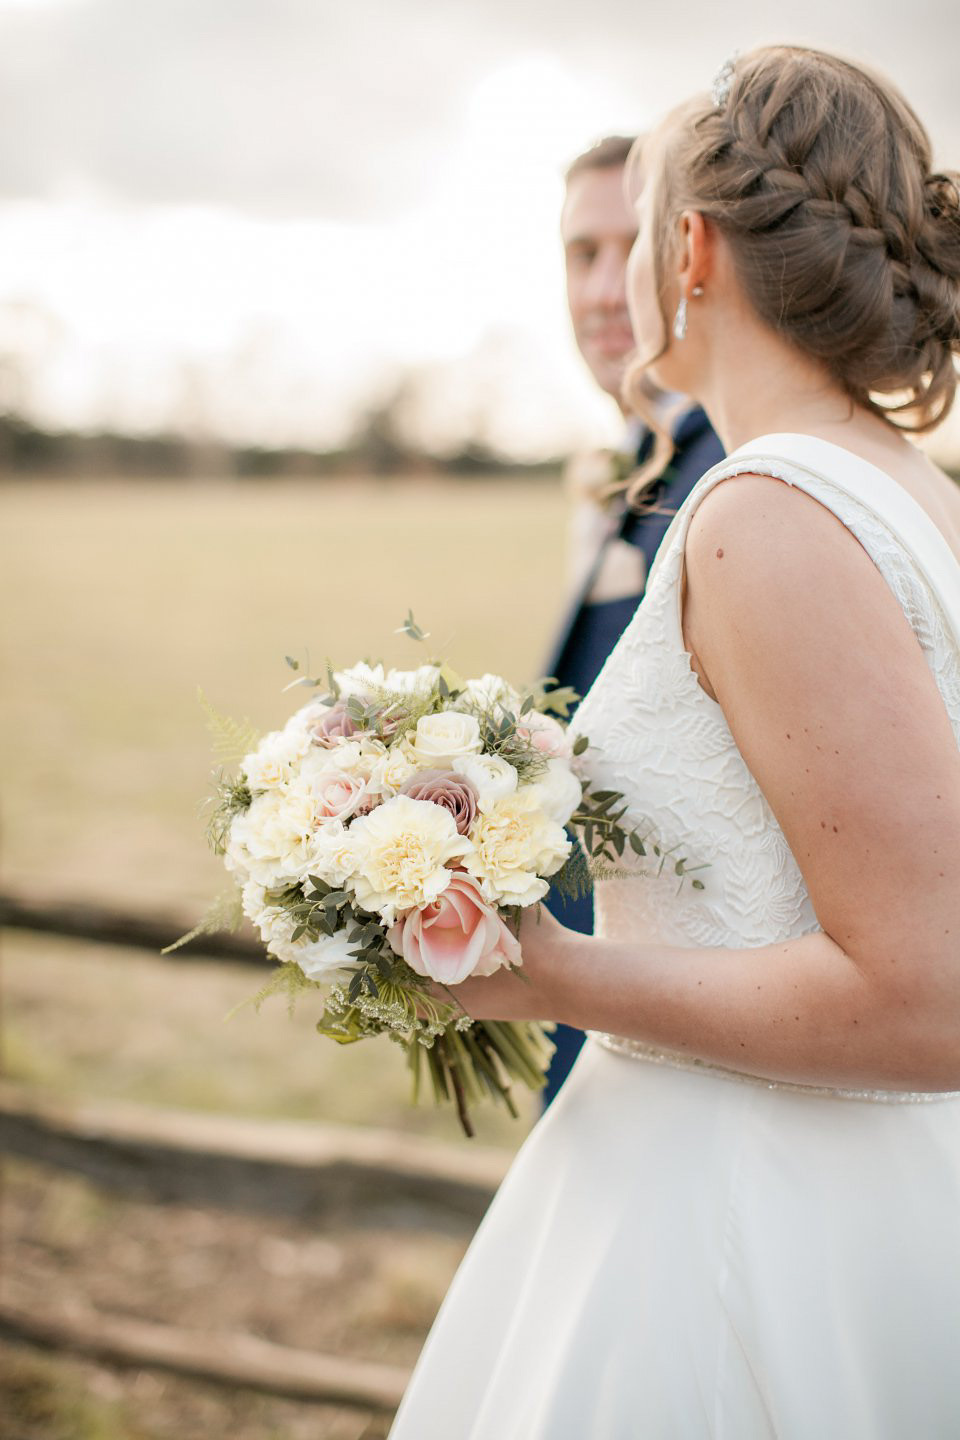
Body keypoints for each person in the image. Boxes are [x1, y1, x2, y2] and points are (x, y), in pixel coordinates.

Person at [389, 44, 960, 1438]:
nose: (622, 270)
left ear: (690, 250)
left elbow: (933, 993)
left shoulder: (763, 512)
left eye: (636, 230)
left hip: (743, 1213)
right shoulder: (906, 486)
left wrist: (552, 973)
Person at [543, 135, 723, 1104]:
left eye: (631, 248)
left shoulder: (726, 471)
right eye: (581, 254)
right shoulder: (618, 461)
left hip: (677, 1032)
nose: (606, 290)